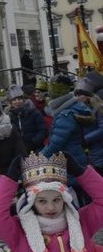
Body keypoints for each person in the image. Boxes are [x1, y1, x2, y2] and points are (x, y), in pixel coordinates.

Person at [42, 75, 93, 205]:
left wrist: (40, 157)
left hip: (70, 160)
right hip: (74, 157)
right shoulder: (68, 111)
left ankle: (84, 222)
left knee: (78, 198)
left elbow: (56, 143)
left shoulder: (65, 115)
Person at [6, 84, 48, 154]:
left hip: (36, 149)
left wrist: (33, 142)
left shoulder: (34, 113)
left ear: (23, 100)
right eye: (14, 100)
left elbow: (43, 131)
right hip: (17, 151)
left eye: (19, 99)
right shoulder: (8, 116)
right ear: (10, 102)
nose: (17, 102)